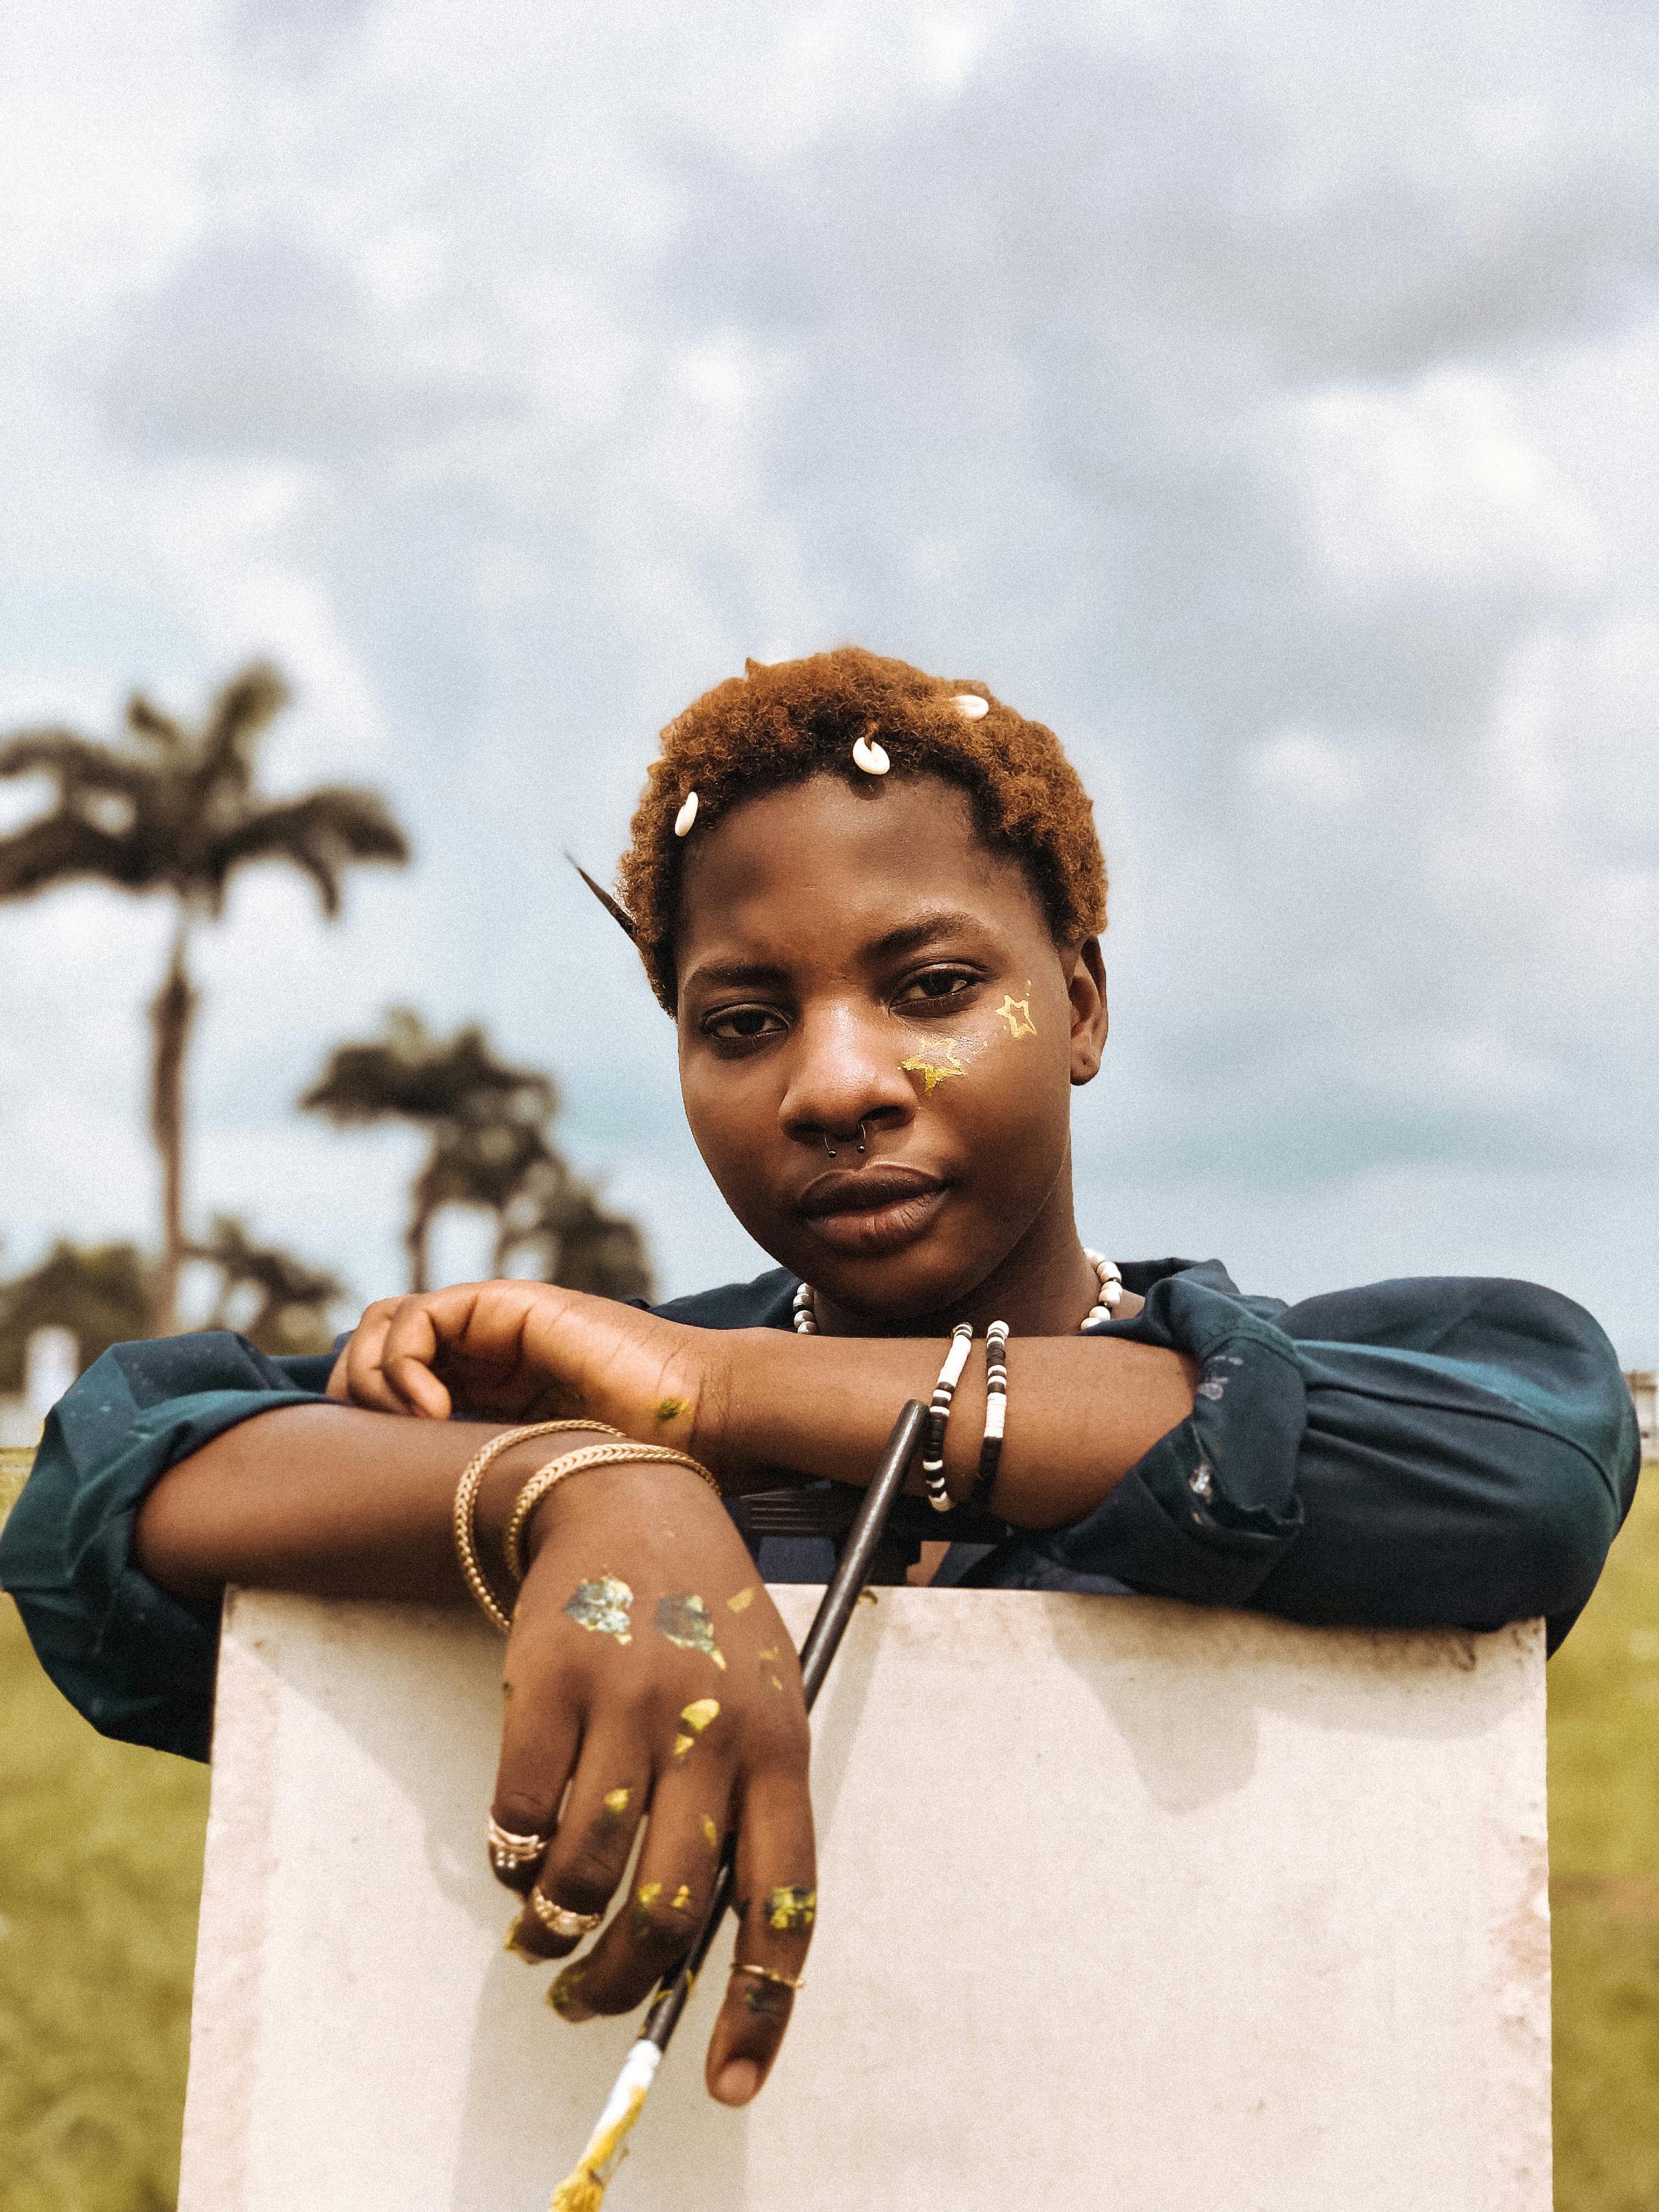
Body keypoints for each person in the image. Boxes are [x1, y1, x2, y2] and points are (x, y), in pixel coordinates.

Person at [0, 647, 1640, 2112]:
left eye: (931, 991)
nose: (835, 1083)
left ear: (1080, 1000)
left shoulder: (1260, 1376)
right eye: (743, 1020)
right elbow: (109, 1485)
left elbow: (1529, 1470)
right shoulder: (581, 1411)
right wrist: (573, 1485)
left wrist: (715, 1407)